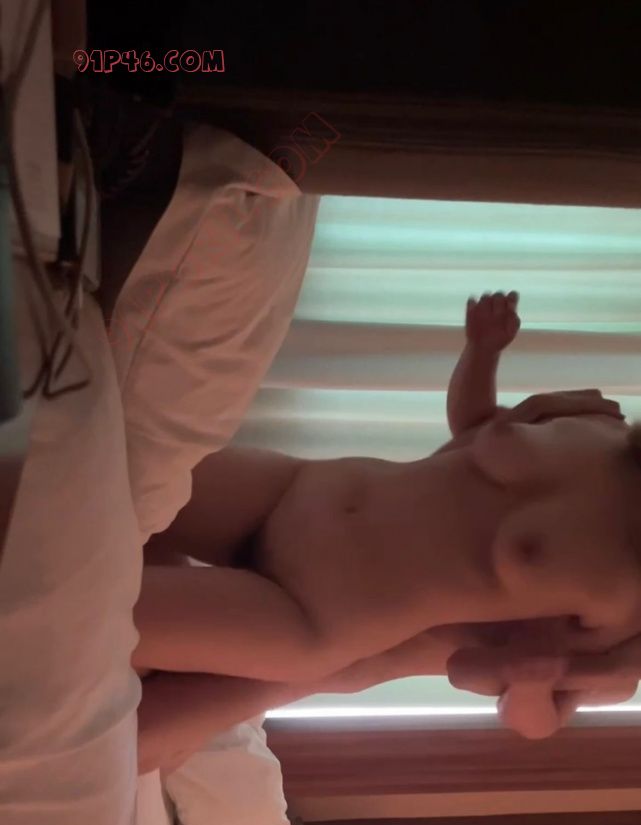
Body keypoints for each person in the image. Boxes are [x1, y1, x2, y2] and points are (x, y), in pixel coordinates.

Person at [134, 292, 641, 769]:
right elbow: (474, 429)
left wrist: (528, 681)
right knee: (117, 474)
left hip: (309, 612)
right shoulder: (601, 427)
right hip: (295, 491)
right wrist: (482, 351)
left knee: (99, 612)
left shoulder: (624, 602)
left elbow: (473, 671)